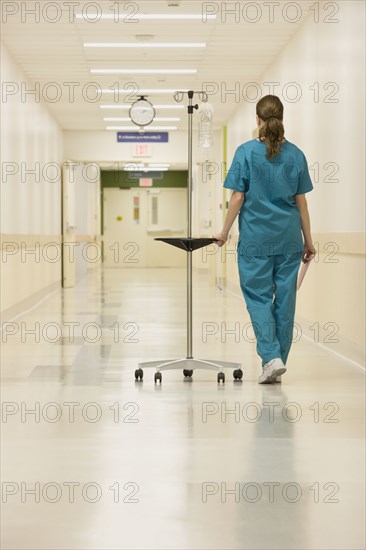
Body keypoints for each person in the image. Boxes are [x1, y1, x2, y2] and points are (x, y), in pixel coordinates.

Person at [213, 95, 316, 384]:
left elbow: (237, 198)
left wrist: (223, 232)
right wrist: (308, 241)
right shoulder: (296, 154)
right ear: (282, 119)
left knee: (258, 298)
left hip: (256, 239)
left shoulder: (245, 152)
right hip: (288, 239)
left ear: (257, 120)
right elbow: (301, 203)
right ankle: (277, 360)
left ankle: (271, 358)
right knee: (286, 300)